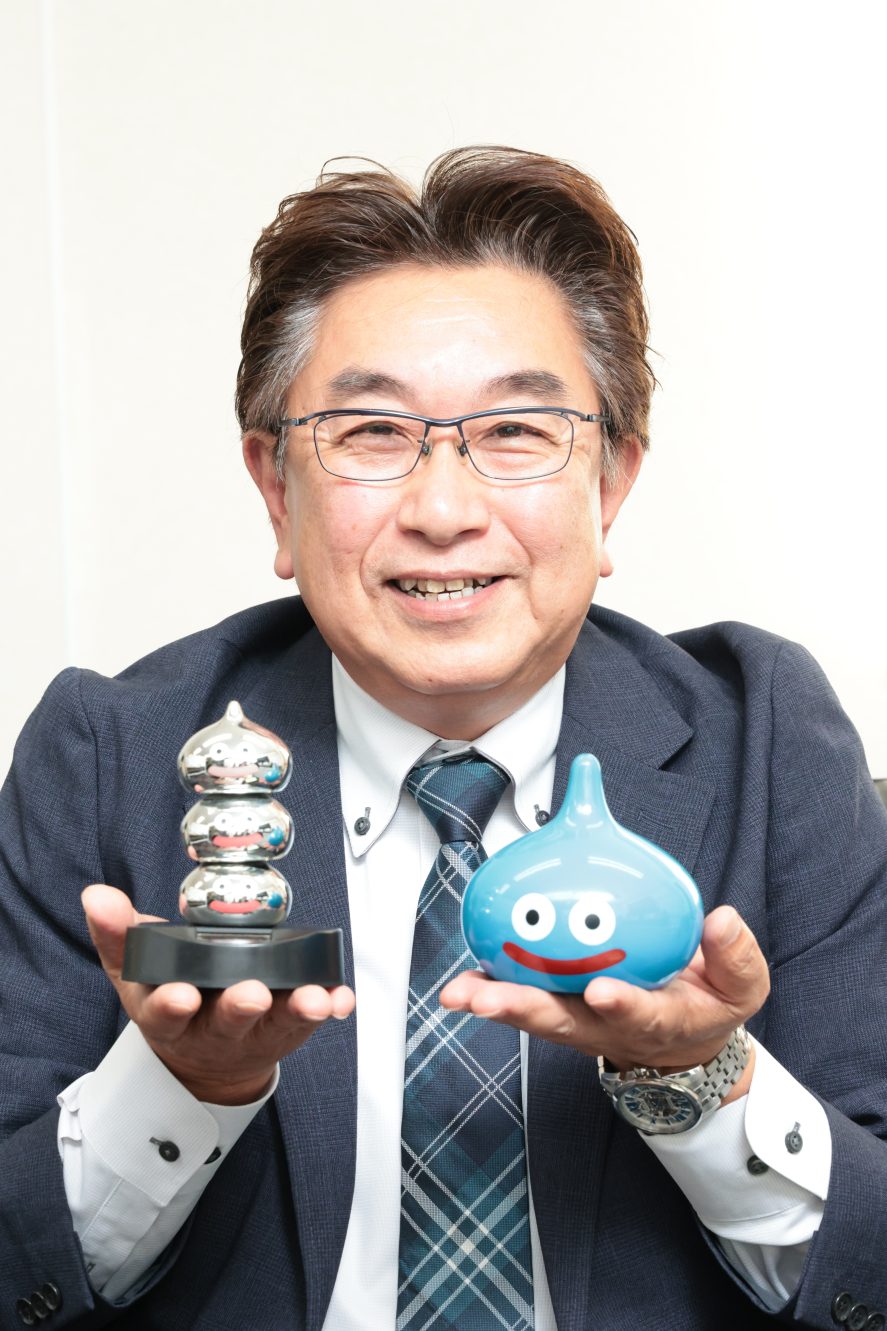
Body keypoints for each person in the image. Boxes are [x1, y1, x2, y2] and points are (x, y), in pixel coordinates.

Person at [1, 147, 885, 1331]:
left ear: (610, 484)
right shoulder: (108, 754)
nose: (442, 508)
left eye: (514, 430)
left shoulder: (766, 739)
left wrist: (697, 1076)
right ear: (276, 489)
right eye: (371, 431)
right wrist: (181, 1084)